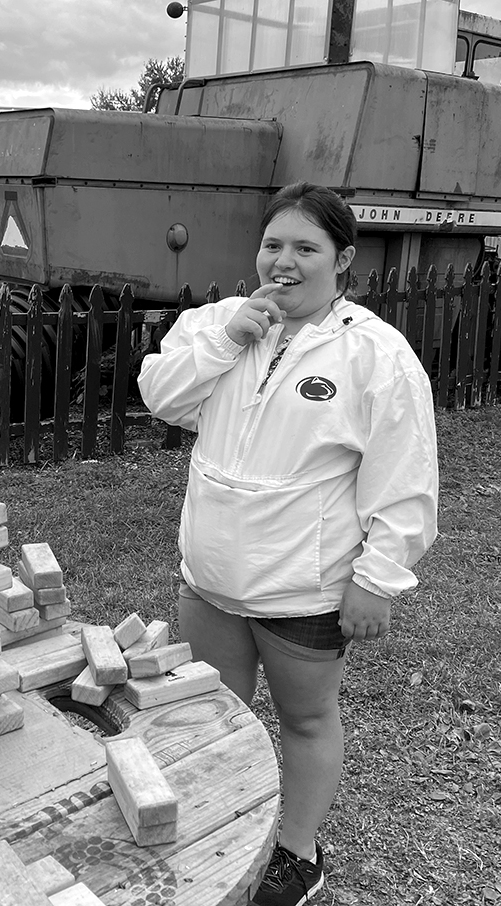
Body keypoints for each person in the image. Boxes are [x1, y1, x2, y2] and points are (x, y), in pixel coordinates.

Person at [138, 182, 438, 906]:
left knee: (304, 720)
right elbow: (163, 399)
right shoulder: (220, 322)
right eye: (274, 244)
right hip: (209, 577)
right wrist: (227, 337)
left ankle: (296, 853)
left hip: (302, 588)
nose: (286, 261)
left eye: (307, 248)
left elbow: (405, 477)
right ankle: (220, 828)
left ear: (344, 261)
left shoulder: (375, 354)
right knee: (215, 717)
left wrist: (379, 577)